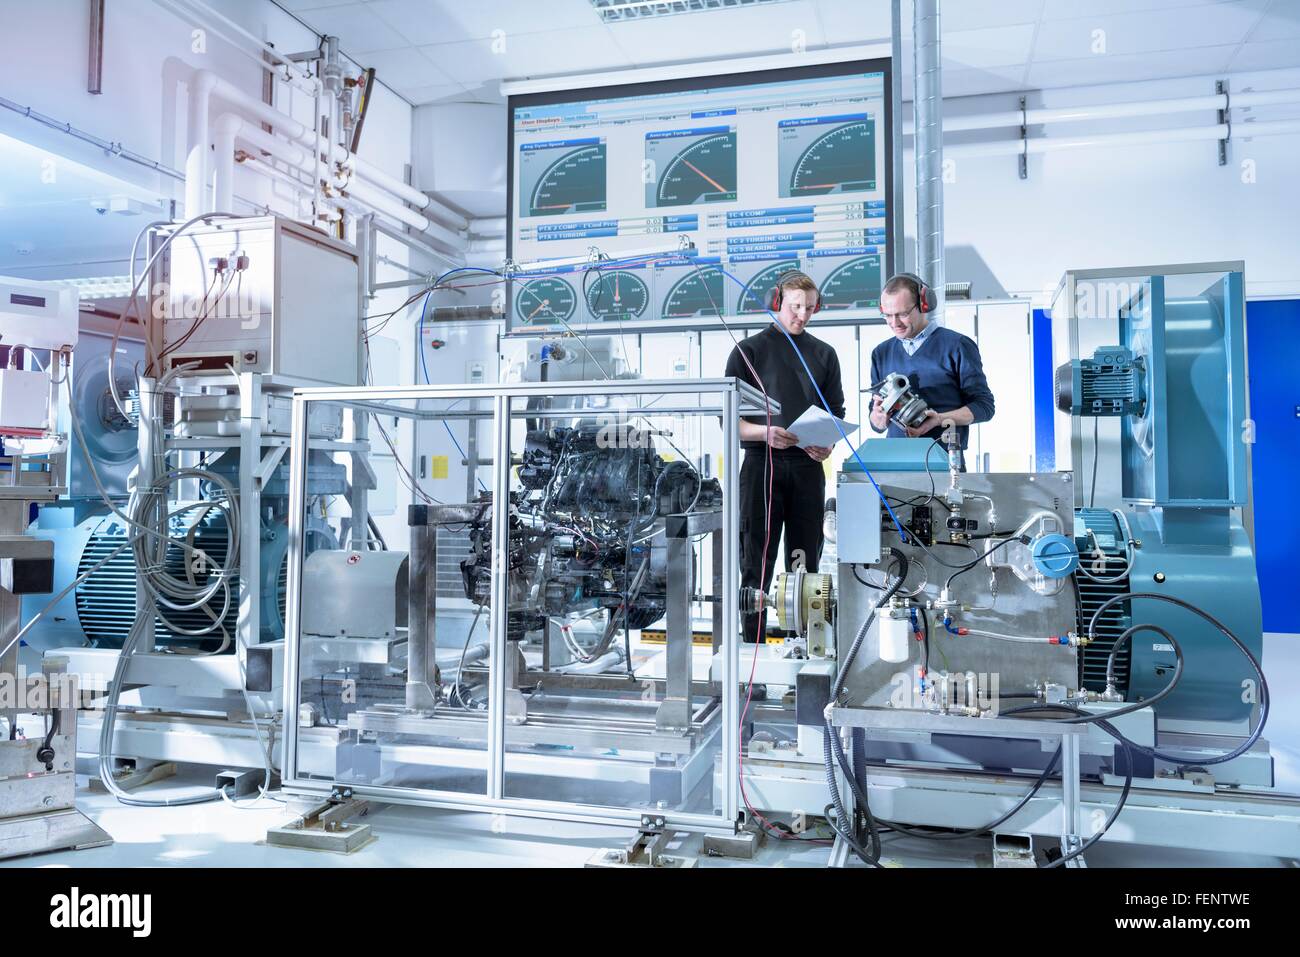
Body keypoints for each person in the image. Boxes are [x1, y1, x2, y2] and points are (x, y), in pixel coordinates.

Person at [725, 270, 844, 643]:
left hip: (808, 467)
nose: (802, 316)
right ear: (778, 301)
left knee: (805, 563)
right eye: (795, 307)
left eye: (810, 308)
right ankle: (752, 649)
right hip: (762, 466)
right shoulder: (749, 351)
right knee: (756, 563)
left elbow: (835, 415)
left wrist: (828, 445)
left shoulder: (824, 354)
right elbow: (728, 422)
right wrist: (765, 433)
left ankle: (806, 653)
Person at [868, 273, 994, 469]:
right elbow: (876, 424)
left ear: (923, 305)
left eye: (902, 314)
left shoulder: (957, 345)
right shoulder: (881, 353)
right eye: (887, 315)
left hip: (943, 461)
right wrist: (878, 417)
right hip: (894, 463)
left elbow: (984, 407)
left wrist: (939, 420)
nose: (895, 323)